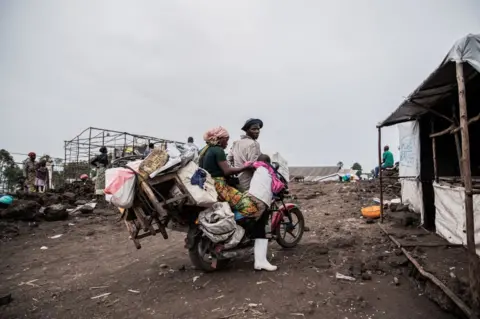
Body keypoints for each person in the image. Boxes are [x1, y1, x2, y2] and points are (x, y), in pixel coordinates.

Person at [199, 127, 277, 271]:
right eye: (225, 140)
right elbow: (227, 170)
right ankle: (238, 226)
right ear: (218, 139)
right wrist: (245, 166)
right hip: (220, 186)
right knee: (253, 207)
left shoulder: (204, 150)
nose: (227, 143)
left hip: (209, 186)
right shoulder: (217, 150)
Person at [227, 118, 263, 192]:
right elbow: (254, 165)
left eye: (258, 129)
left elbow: (229, 159)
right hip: (249, 181)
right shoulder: (254, 144)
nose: (257, 131)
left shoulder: (236, 143)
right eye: (254, 129)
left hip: (236, 180)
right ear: (247, 130)